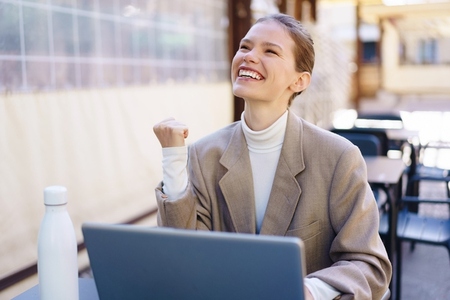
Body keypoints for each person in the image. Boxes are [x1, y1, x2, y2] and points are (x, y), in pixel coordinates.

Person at [153, 13, 392, 300]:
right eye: (244, 47)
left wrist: (308, 290)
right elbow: (183, 255)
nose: (249, 57)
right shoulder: (203, 155)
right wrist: (173, 160)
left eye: (270, 51)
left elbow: (370, 266)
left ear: (300, 81)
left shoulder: (338, 157)